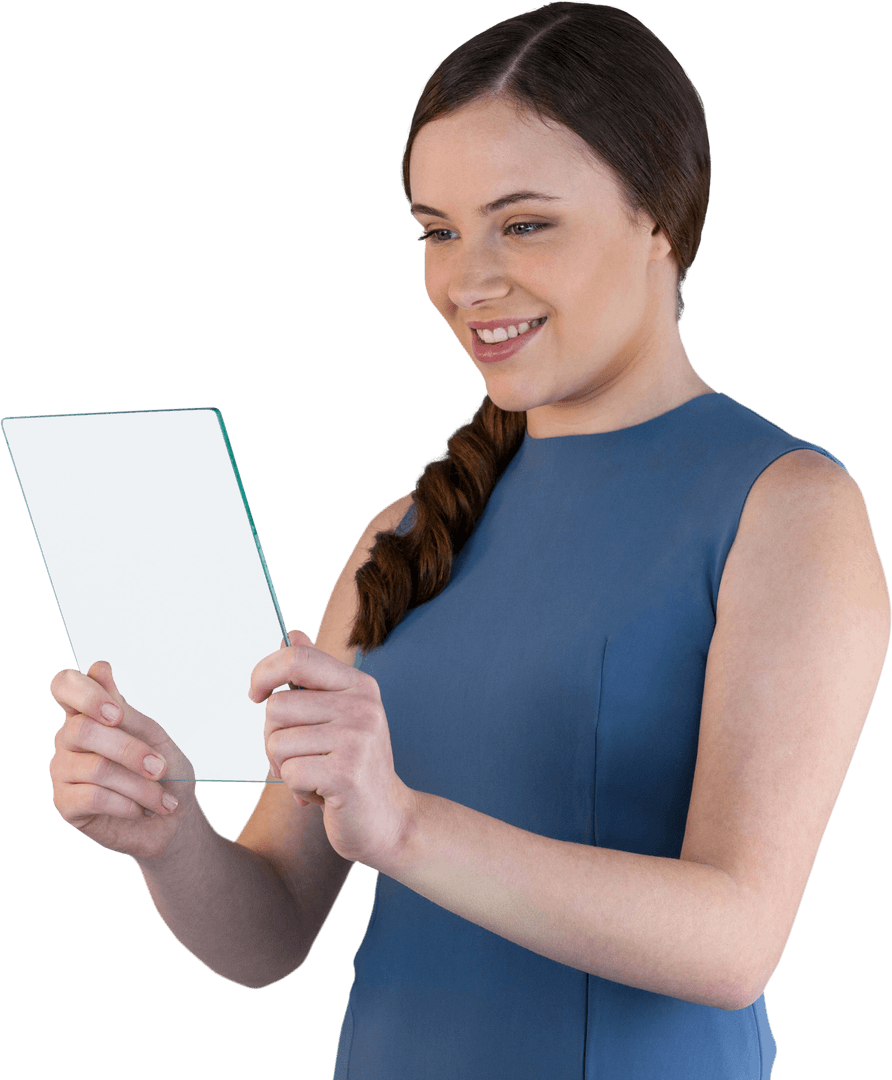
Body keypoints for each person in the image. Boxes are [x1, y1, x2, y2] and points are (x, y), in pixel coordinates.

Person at [47, 3, 890, 1077]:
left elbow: (737, 941)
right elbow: (268, 933)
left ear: (658, 218)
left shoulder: (787, 508)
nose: (466, 280)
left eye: (523, 223)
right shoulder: (400, 533)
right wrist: (164, 835)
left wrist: (402, 827)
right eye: (437, 230)